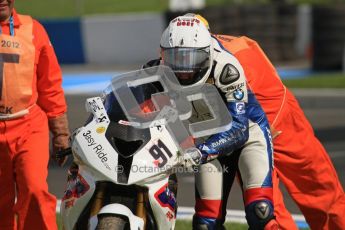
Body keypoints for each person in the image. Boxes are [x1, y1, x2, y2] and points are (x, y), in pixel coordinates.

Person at [192, 14, 345, 230]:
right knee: (266, 208)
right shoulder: (174, 57)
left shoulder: (236, 54)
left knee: (319, 185)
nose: (184, 62)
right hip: (239, 126)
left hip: (278, 119)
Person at [145, 14, 280, 229]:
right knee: (206, 223)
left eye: (191, 59)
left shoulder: (227, 68)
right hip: (207, 138)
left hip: (248, 134)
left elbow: (239, 129)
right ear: (162, 55)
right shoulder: (154, 71)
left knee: (260, 210)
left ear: (207, 53)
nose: (184, 69)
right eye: (176, 58)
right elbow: (131, 107)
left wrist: (201, 151)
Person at [0, 1, 70, 230]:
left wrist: (60, 132)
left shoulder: (33, 29)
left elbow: (49, 84)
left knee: (35, 191)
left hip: (29, 125)